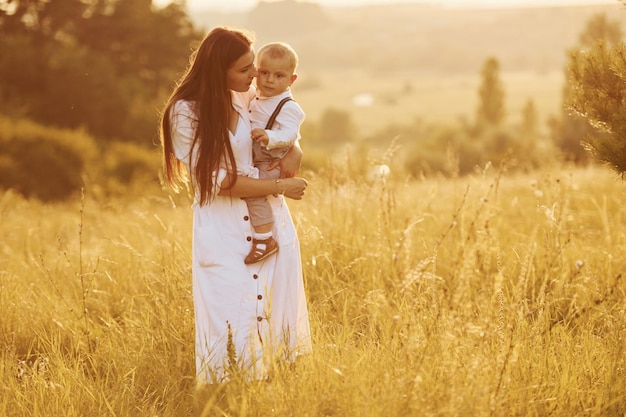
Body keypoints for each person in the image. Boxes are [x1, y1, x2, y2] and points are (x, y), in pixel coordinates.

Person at [159, 26, 312, 384]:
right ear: (219, 70)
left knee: (279, 326)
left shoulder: (243, 96)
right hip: (225, 230)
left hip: (271, 225)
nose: (255, 77)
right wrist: (280, 185)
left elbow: (281, 124)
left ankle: (281, 400)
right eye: (246, 70)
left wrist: (296, 150)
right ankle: (227, 401)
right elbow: (219, 181)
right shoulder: (184, 114)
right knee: (229, 327)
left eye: (253, 69)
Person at [243, 42, 306, 265]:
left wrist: (270, 136)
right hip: (256, 157)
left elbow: (290, 134)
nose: (270, 80)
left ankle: (264, 239)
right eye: (264, 73)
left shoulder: (288, 106)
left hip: (270, 160)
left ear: (291, 80)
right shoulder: (255, 96)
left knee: (254, 190)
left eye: (279, 76)